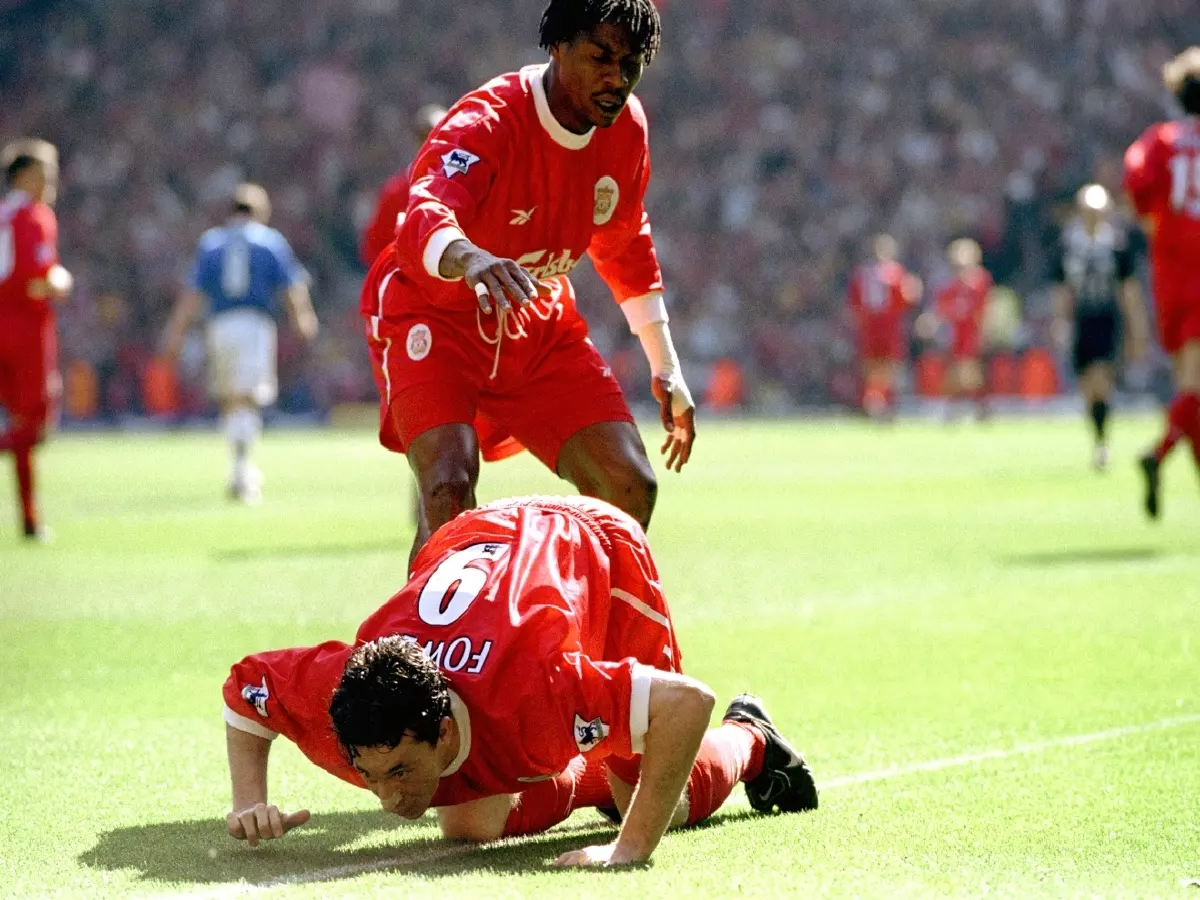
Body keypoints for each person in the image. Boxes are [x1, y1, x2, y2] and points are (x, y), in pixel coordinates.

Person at [221, 495, 817, 867]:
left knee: (663, 801)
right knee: (469, 825)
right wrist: (250, 803)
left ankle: (752, 738)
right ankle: (597, 765)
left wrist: (631, 846)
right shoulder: (341, 691)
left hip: (598, 549)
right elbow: (248, 689)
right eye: (368, 773)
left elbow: (688, 704)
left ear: (446, 731)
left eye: (400, 770)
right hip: (478, 534)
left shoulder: (539, 688)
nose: (388, 799)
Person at [361, 0, 697, 566]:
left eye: (632, 63)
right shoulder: (489, 120)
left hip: (535, 322)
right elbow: (426, 213)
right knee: (447, 490)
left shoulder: (626, 129)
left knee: (629, 487)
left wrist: (665, 362)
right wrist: (470, 259)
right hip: (436, 319)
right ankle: (423, 650)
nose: (617, 78)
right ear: (558, 47)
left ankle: (569, 640)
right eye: (601, 57)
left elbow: (624, 244)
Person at [162, 183, 318, 504]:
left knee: (231, 398)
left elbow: (193, 294)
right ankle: (243, 472)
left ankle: (239, 466)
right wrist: (303, 319)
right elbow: (292, 286)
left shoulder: (212, 242)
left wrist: (175, 332)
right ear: (259, 212)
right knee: (248, 398)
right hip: (255, 324)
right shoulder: (269, 240)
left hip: (220, 325)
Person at [1124, 46, 1200, 518]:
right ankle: (1157, 454)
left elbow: (1138, 188)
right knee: (1194, 387)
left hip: (1171, 272)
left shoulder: (1159, 139)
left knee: (1187, 383)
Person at [0, 138, 72, 542]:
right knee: (37, 426)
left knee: (21, 425)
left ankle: (29, 518)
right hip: (23, 329)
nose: (53, 181)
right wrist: (61, 280)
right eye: (47, 173)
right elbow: (37, 279)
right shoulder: (34, 215)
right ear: (26, 176)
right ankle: (29, 517)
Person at [1050, 184, 1148, 471]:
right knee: (1087, 387)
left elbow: (1128, 292)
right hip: (1082, 319)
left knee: (1101, 379)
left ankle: (1103, 444)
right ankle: (1099, 437)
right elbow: (1062, 290)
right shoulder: (1069, 245)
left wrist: (1136, 330)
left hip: (1107, 318)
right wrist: (1059, 322)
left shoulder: (1116, 245)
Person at [360, 104, 449, 269]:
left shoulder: (463, 185)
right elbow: (374, 248)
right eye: (429, 137)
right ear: (418, 141)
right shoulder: (396, 192)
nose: (438, 144)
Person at [845, 234, 921, 420]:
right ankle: (884, 404)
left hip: (870, 326)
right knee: (889, 368)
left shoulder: (862, 272)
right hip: (889, 326)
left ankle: (873, 403)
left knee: (872, 368)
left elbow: (854, 305)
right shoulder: (897, 273)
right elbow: (907, 300)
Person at [919, 238, 993, 420]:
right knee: (965, 375)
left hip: (972, 335)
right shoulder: (951, 287)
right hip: (955, 337)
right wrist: (929, 323)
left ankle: (960, 409)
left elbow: (985, 309)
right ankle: (978, 408)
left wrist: (985, 332)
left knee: (964, 373)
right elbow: (940, 310)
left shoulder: (980, 282)